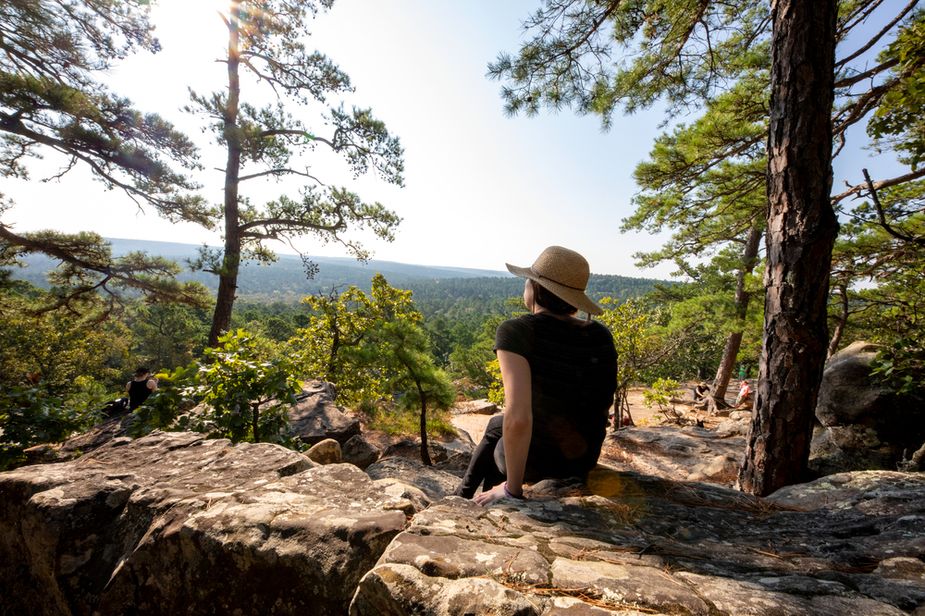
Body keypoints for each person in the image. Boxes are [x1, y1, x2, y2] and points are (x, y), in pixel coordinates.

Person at [454, 246, 618, 506]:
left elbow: (519, 419)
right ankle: (467, 495)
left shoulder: (516, 331)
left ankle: (470, 498)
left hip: (540, 465)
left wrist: (513, 489)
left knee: (502, 431)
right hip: (584, 460)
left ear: (535, 288)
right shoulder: (600, 334)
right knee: (496, 425)